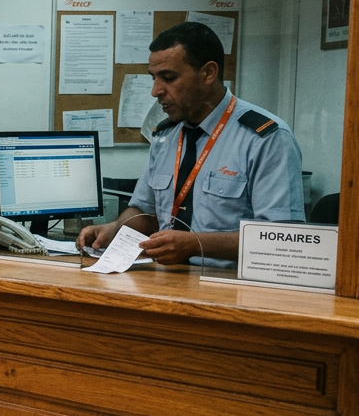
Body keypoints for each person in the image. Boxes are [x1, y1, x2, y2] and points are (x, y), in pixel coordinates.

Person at [77, 22, 304, 265]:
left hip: (228, 285)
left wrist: (195, 245)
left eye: (168, 78)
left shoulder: (265, 138)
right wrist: (115, 228)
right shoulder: (166, 134)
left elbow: (282, 239)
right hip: (167, 279)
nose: (155, 91)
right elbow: (146, 211)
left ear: (208, 73)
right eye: (154, 78)